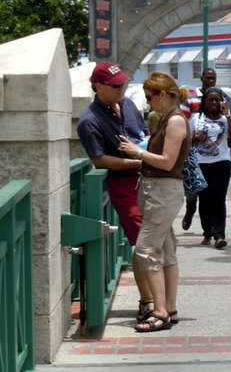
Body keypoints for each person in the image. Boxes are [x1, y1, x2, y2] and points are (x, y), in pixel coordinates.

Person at [77, 62, 153, 319]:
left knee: (156, 240)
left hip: (149, 180)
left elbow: (143, 134)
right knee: (143, 241)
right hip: (123, 183)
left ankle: (159, 299)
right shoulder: (89, 121)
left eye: (123, 83)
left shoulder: (129, 105)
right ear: (99, 87)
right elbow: (99, 160)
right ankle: (148, 300)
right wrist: (139, 161)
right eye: (116, 85)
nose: (122, 88)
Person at [117, 71, 191, 332]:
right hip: (160, 190)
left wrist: (138, 152)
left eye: (150, 97)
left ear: (162, 95)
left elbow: (168, 161)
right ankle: (169, 308)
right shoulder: (169, 119)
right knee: (166, 249)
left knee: (145, 249)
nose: (148, 102)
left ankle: (159, 311)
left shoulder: (175, 122)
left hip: (163, 190)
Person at [188, 87, 231, 248]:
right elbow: (186, 142)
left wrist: (228, 115)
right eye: (211, 99)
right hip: (200, 164)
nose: (215, 102)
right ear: (205, 101)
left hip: (221, 162)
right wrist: (193, 140)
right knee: (205, 200)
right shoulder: (196, 118)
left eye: (218, 100)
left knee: (218, 199)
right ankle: (207, 233)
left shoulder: (225, 119)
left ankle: (219, 235)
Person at [181, 67, 217, 231]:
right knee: (192, 189)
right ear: (201, 78)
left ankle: (209, 228)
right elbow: (182, 120)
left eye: (213, 78)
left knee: (209, 193)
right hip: (193, 149)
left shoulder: (218, 97)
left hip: (211, 152)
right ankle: (190, 210)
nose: (211, 81)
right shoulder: (191, 98)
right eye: (208, 78)